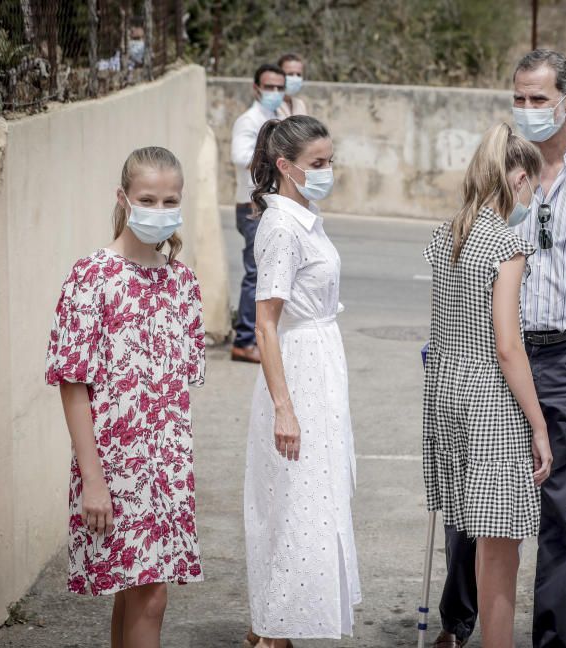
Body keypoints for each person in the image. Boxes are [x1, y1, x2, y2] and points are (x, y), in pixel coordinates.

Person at [433, 50, 566, 648]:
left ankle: (552, 640)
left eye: (537, 99)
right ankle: (458, 622)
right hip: (492, 357)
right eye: (518, 99)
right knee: (478, 502)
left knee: (563, 514)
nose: (525, 111)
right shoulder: (496, 167)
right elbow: (464, 256)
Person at [44, 146, 206, 648]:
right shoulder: (91, 276)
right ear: (123, 198)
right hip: (115, 467)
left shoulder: (182, 282)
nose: (160, 211)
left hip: (168, 467)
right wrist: (93, 479)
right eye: (148, 199)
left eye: (170, 200)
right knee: (149, 594)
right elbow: (73, 383)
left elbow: (175, 389)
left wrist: (174, 467)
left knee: (135, 591)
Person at [423, 123, 554, 647]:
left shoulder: (447, 232)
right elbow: (508, 344)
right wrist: (539, 426)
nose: (535, 196)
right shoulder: (507, 244)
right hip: (491, 405)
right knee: (500, 549)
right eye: (534, 186)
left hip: (446, 394)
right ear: (518, 178)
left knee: (476, 534)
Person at [243, 115, 361, 648]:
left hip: (320, 361)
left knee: (313, 496)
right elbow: (265, 321)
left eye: (330, 161)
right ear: (286, 167)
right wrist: (283, 408)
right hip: (298, 368)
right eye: (317, 164)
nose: (327, 171)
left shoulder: (306, 216)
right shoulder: (282, 227)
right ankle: (273, 630)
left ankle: (274, 624)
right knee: (295, 500)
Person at [230, 63, 287, 364]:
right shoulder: (249, 121)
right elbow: (239, 156)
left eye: (280, 87)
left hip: (271, 205)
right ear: (256, 88)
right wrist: (272, 153)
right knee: (255, 274)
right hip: (252, 207)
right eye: (270, 87)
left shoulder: (278, 117)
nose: (275, 93)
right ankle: (243, 341)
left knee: (270, 273)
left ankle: (262, 337)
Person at [276, 53, 308, 118]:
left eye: (298, 75)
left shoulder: (300, 104)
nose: (295, 78)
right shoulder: (271, 105)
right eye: (290, 74)